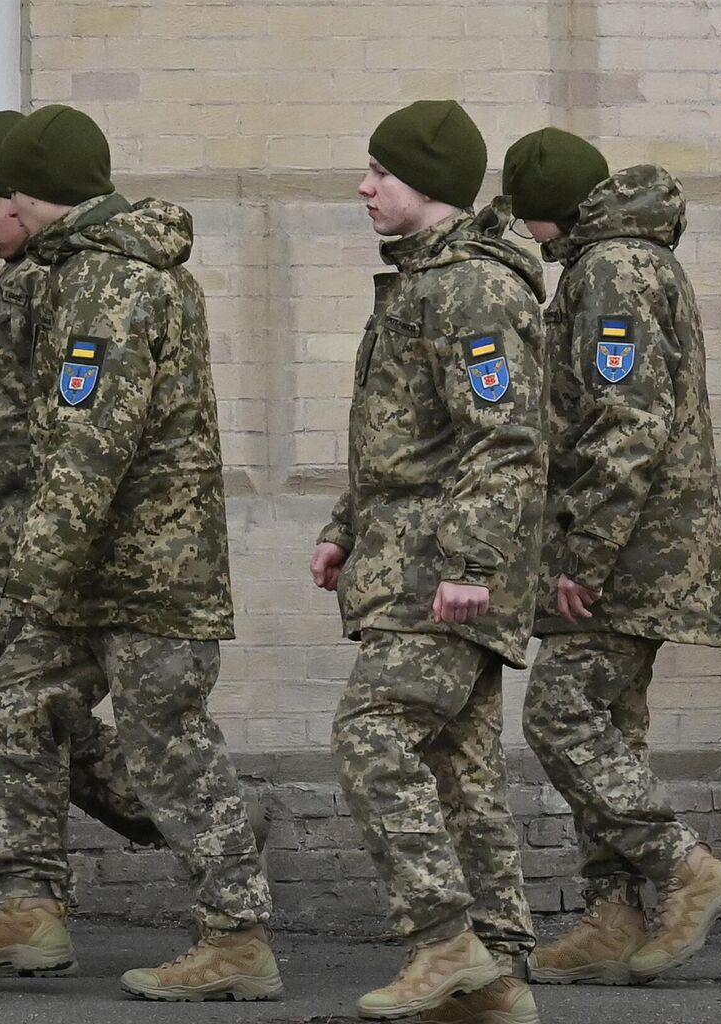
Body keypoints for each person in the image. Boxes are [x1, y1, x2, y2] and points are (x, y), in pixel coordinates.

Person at [0, 105, 281, 1000]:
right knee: (12, 712)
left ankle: (237, 935)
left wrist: (29, 575)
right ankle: (28, 911)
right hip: (77, 565)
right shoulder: (54, 273)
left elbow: (89, 444)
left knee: (169, 744)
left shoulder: (109, 284)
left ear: (30, 200)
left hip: (145, 568)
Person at [312, 99, 548, 1024]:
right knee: (458, 769)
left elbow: (504, 439)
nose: (364, 187)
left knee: (370, 731)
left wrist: (469, 561)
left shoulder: (471, 290)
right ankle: (496, 978)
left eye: (382, 172)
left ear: (430, 185)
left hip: (443, 574)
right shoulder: (420, 281)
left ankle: (445, 938)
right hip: (408, 561)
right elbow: (403, 442)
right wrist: (344, 525)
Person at [501, 127, 721, 986]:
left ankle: (685, 869)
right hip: (640, 549)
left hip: (632, 555)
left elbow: (625, 426)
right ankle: (614, 915)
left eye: (528, 221)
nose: (527, 238)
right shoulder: (626, 262)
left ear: (552, 214)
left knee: (559, 718)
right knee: (611, 732)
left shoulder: (613, 272)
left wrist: (587, 556)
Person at [0, 110, 163, 851]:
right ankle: (193, 818)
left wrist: (42, 558)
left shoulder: (61, 284)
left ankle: (28, 897)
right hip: (11, 545)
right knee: (37, 716)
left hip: (39, 551)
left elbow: (82, 434)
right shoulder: (25, 280)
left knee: (17, 716)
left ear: (23, 194)